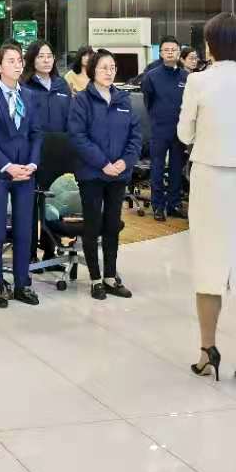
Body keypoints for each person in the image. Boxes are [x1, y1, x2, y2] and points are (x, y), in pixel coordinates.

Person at [177, 13, 236, 388]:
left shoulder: (198, 81)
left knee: (209, 264)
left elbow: (185, 133)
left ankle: (208, 352)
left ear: (210, 45)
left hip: (210, 178)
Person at [67, 49, 141, 300]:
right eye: (103, 68)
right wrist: (103, 163)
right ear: (92, 71)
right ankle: (95, 279)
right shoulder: (82, 100)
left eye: (112, 68)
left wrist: (124, 162)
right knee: (93, 225)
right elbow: (78, 137)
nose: (109, 72)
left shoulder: (123, 99)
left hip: (118, 174)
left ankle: (110, 276)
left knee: (112, 225)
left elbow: (135, 136)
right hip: (92, 173)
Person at [0, 44, 42, 308]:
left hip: (26, 172)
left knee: (25, 230)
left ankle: (22, 283)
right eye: (11, 61)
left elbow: (37, 133)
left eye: (20, 60)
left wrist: (32, 164)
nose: (18, 65)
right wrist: (7, 166)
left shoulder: (30, 95)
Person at [140, 37, 188, 222]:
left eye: (173, 49)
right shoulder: (151, 76)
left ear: (179, 53)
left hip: (180, 130)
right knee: (157, 168)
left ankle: (174, 204)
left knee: (176, 169)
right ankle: (158, 206)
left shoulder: (186, 77)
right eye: (166, 50)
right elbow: (148, 102)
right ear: (160, 53)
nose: (170, 52)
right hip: (159, 129)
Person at [22, 40, 73, 133]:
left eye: (49, 56)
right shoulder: (25, 86)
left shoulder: (61, 84)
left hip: (61, 139)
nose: (46, 60)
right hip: (35, 140)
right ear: (32, 59)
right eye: (41, 56)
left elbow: (70, 116)